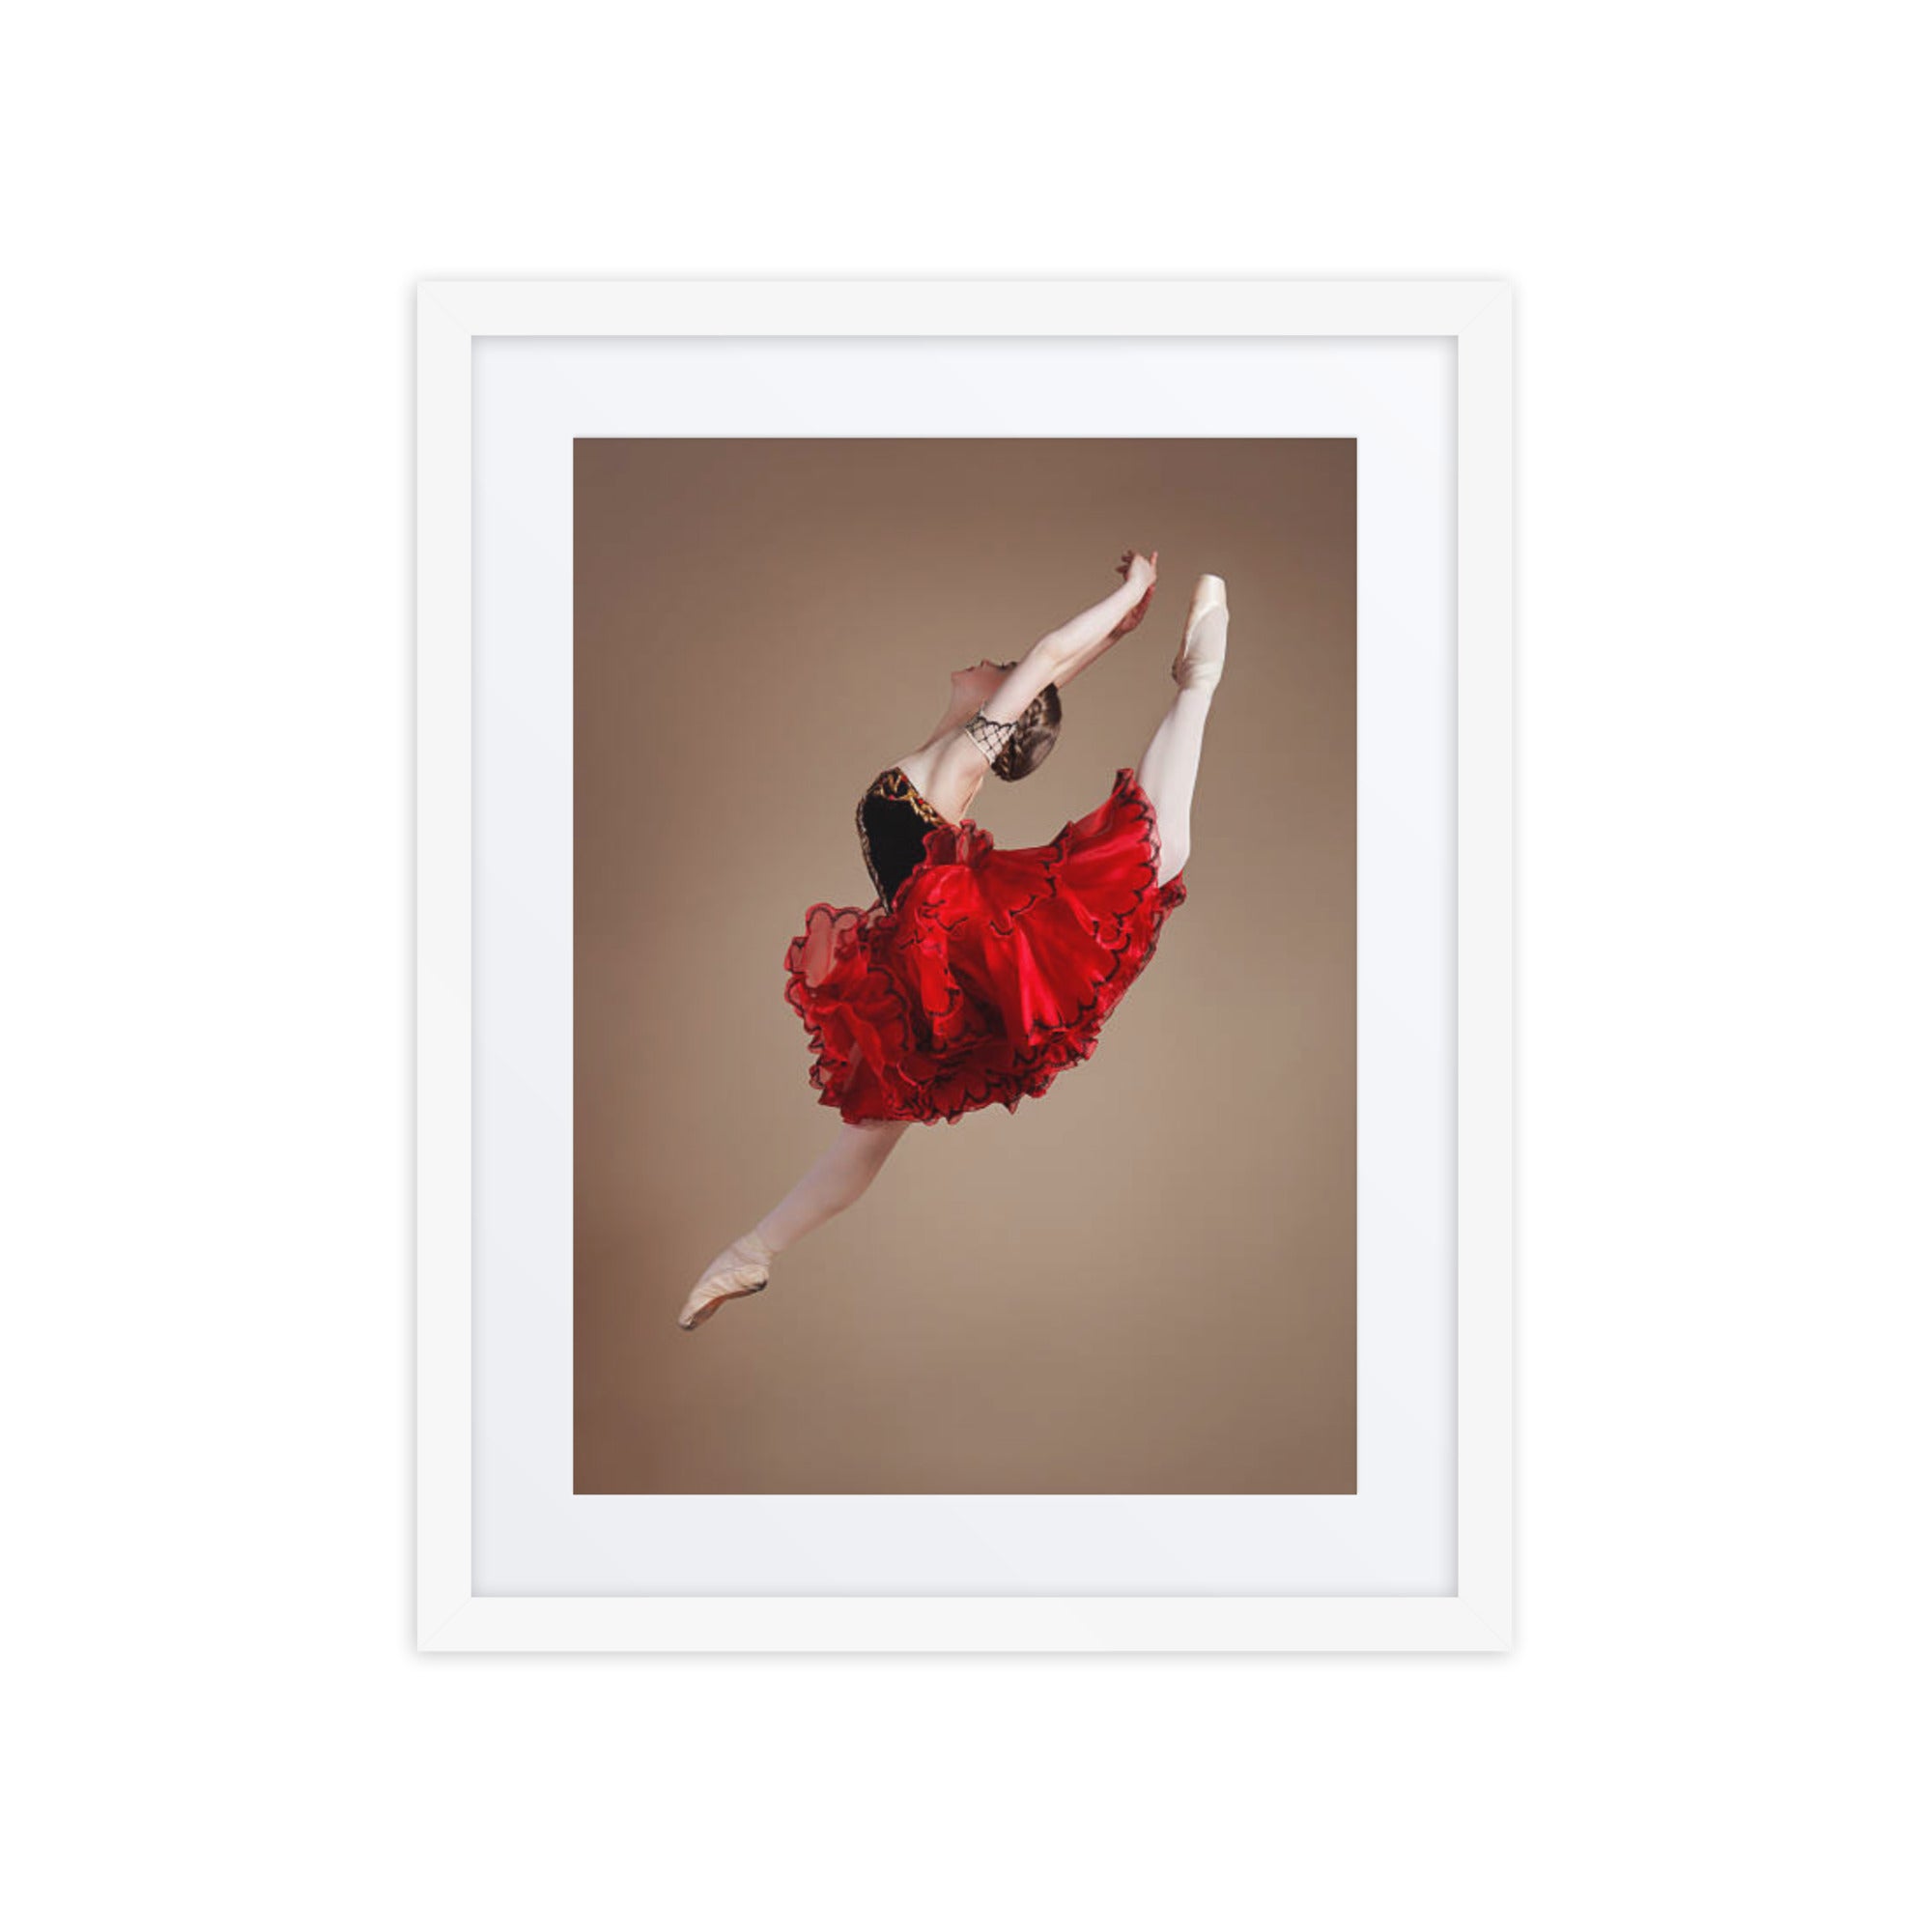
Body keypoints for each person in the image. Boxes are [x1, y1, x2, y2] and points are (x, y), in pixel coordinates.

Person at [676, 550, 1230, 1329]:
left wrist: (1130, 592)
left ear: (1000, 718)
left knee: (1145, 854)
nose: (985, 661)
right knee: (870, 1129)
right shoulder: (947, 754)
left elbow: (1043, 660)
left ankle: (1197, 681)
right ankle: (751, 1253)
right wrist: (1113, 636)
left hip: (953, 938)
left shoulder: (949, 767)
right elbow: (1048, 673)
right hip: (917, 956)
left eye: (997, 670)